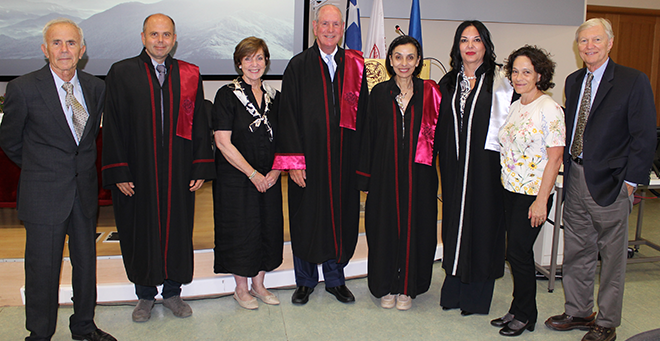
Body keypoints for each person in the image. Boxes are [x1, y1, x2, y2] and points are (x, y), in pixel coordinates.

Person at [0, 19, 115, 341]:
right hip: (43, 194)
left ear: (83, 49)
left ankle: (84, 326)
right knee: (42, 270)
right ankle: (39, 333)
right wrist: (42, 168)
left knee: (85, 264)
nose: (64, 50)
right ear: (44, 48)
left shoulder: (95, 87)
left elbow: (89, 139)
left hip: (83, 192)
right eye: (57, 43)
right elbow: (10, 141)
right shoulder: (23, 88)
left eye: (71, 43)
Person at [545, 18, 656, 341]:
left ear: (610, 43)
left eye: (595, 40)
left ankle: (606, 322)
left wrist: (632, 182)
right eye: (583, 41)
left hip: (613, 181)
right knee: (578, 249)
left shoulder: (633, 81)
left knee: (612, 257)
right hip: (576, 176)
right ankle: (579, 311)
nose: (589, 46)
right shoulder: (574, 79)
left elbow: (644, 135)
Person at [102, 13, 215, 322]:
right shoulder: (122, 72)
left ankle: (173, 292)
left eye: (166, 35)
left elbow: (199, 125)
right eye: (154, 34)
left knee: (178, 228)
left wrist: (199, 167)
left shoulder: (189, 74)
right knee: (139, 229)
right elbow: (112, 124)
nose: (160, 40)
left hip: (178, 170)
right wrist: (119, 170)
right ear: (143, 37)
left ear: (174, 40)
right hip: (138, 171)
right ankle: (145, 294)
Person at [272, 4, 368, 305]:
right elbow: (286, 116)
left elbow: (363, 115)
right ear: (315, 28)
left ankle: (336, 279)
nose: (329, 30)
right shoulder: (298, 65)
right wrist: (294, 162)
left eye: (335, 25)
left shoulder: (355, 66)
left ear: (342, 29)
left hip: (343, 161)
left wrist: (361, 163)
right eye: (324, 24)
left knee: (341, 217)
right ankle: (305, 281)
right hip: (309, 162)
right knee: (306, 218)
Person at [356, 35, 441, 311]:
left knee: (417, 229)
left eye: (410, 57)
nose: (404, 63)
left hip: (420, 177)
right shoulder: (379, 93)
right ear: (389, 60)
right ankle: (386, 285)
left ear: (418, 61)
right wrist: (365, 178)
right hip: (385, 176)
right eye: (398, 57)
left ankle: (408, 286)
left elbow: (440, 137)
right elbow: (367, 137)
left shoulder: (430, 93)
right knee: (384, 229)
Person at [436, 20, 512, 315]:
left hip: (487, 172)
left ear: (486, 46)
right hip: (455, 171)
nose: (470, 45)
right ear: (457, 46)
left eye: (476, 40)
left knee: (483, 228)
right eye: (464, 40)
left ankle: (476, 297)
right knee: (455, 227)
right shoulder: (449, 83)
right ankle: (454, 290)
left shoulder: (501, 82)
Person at [492, 45, 565, 337]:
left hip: (532, 194)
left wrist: (541, 201)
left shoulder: (549, 108)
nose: (519, 77)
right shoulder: (516, 104)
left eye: (526, 72)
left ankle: (527, 314)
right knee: (515, 254)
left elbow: (555, 157)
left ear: (539, 74)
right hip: (510, 190)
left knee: (520, 254)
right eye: (515, 72)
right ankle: (516, 308)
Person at [212, 37, 283, 310]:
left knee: (267, 227)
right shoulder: (226, 94)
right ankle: (241, 288)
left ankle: (259, 284)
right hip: (237, 178)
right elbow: (222, 142)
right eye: (248, 58)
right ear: (239, 62)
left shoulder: (275, 97)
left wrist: (275, 171)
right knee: (240, 231)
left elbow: (286, 139)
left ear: (266, 61)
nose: (254, 64)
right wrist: (253, 174)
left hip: (270, 177)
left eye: (260, 58)